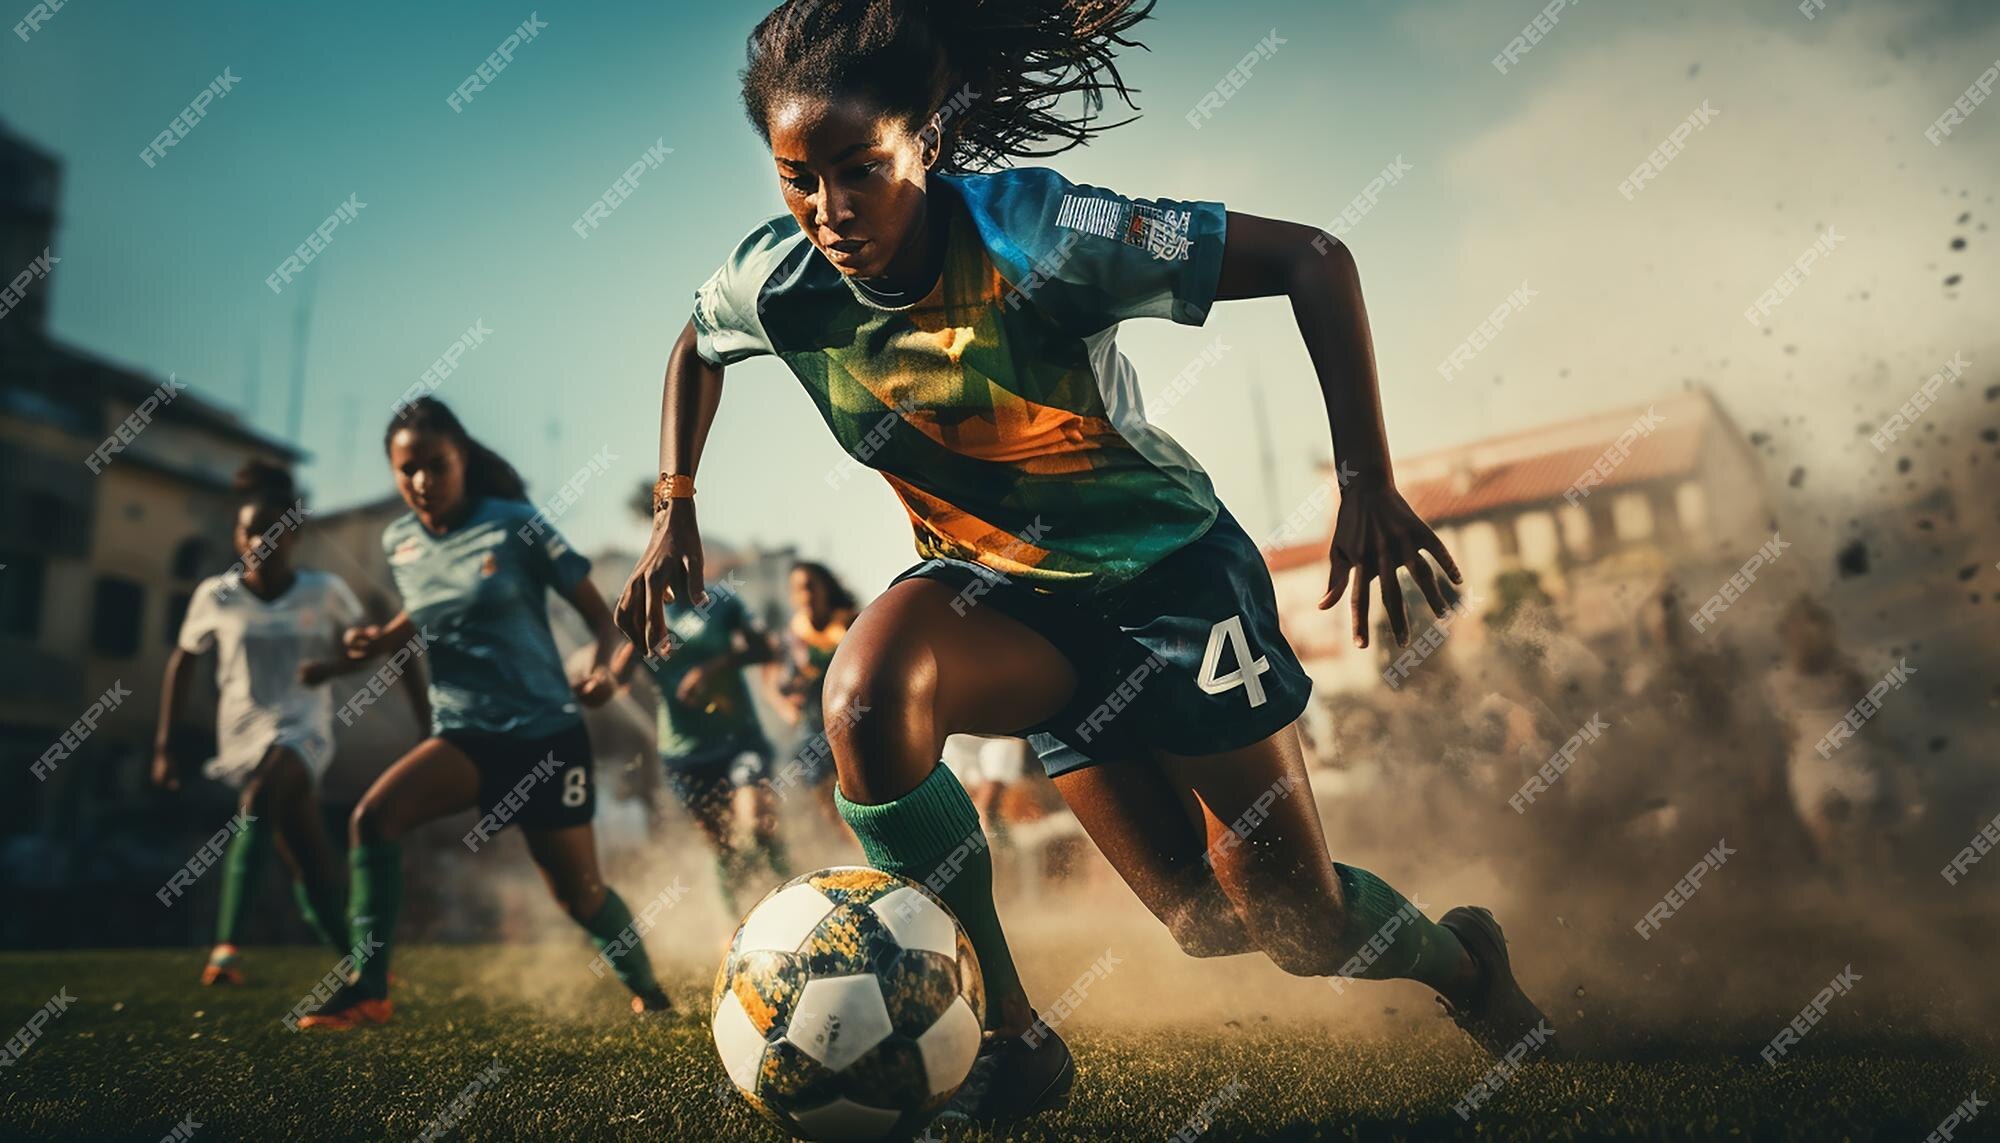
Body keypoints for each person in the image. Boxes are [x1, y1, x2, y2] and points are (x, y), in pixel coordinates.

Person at [617, 0, 1559, 1121]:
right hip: (1000, 602)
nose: (826, 209)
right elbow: (695, 340)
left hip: (1172, 587)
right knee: (864, 701)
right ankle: (1009, 1039)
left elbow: (1313, 257)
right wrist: (674, 500)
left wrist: (1363, 480)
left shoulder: (1051, 237)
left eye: (859, 169)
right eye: (795, 177)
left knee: (1272, 925)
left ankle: (1462, 966)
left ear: (928, 137)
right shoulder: (778, 282)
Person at [297, 397, 669, 1029]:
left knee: (580, 896)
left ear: (461, 459)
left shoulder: (515, 525)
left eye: (435, 466)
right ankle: (369, 987)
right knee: (374, 819)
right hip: (466, 735)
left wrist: (605, 669)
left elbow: (595, 607)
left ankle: (648, 989)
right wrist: (375, 641)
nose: (421, 482)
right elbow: (428, 610)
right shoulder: (400, 541)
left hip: (546, 737)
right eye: (406, 470)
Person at [151, 461, 380, 985]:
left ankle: (226, 950)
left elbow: (365, 648)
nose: (261, 540)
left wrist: (336, 664)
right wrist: (163, 745)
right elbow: (183, 659)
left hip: (305, 729)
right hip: (242, 735)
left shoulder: (324, 591)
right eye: (251, 531)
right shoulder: (216, 595)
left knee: (257, 800)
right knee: (309, 859)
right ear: (237, 535)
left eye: (272, 530)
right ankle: (358, 965)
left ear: (293, 534)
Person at [609, 580, 788, 916]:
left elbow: (765, 649)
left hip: (739, 740)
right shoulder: (648, 614)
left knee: (758, 822)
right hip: (684, 755)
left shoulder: (721, 601)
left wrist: (712, 666)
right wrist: (634, 630)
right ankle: (736, 922)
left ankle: (794, 902)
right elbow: (616, 680)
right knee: (723, 847)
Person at [769, 561, 857, 826]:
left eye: (811, 587)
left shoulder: (852, 623)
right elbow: (772, 678)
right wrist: (786, 705)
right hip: (813, 732)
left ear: (826, 589)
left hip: (856, 725)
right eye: (798, 590)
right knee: (829, 807)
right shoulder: (792, 638)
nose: (806, 595)